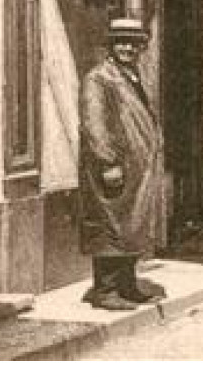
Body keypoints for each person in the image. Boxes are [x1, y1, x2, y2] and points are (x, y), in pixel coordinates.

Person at [79, 17, 167, 310]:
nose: (127, 48)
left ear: (141, 46)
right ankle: (105, 291)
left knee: (131, 228)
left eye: (133, 42)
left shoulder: (132, 75)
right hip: (114, 168)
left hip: (135, 169)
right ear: (111, 45)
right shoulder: (99, 78)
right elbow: (95, 124)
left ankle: (127, 286)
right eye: (121, 42)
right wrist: (108, 162)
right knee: (110, 227)